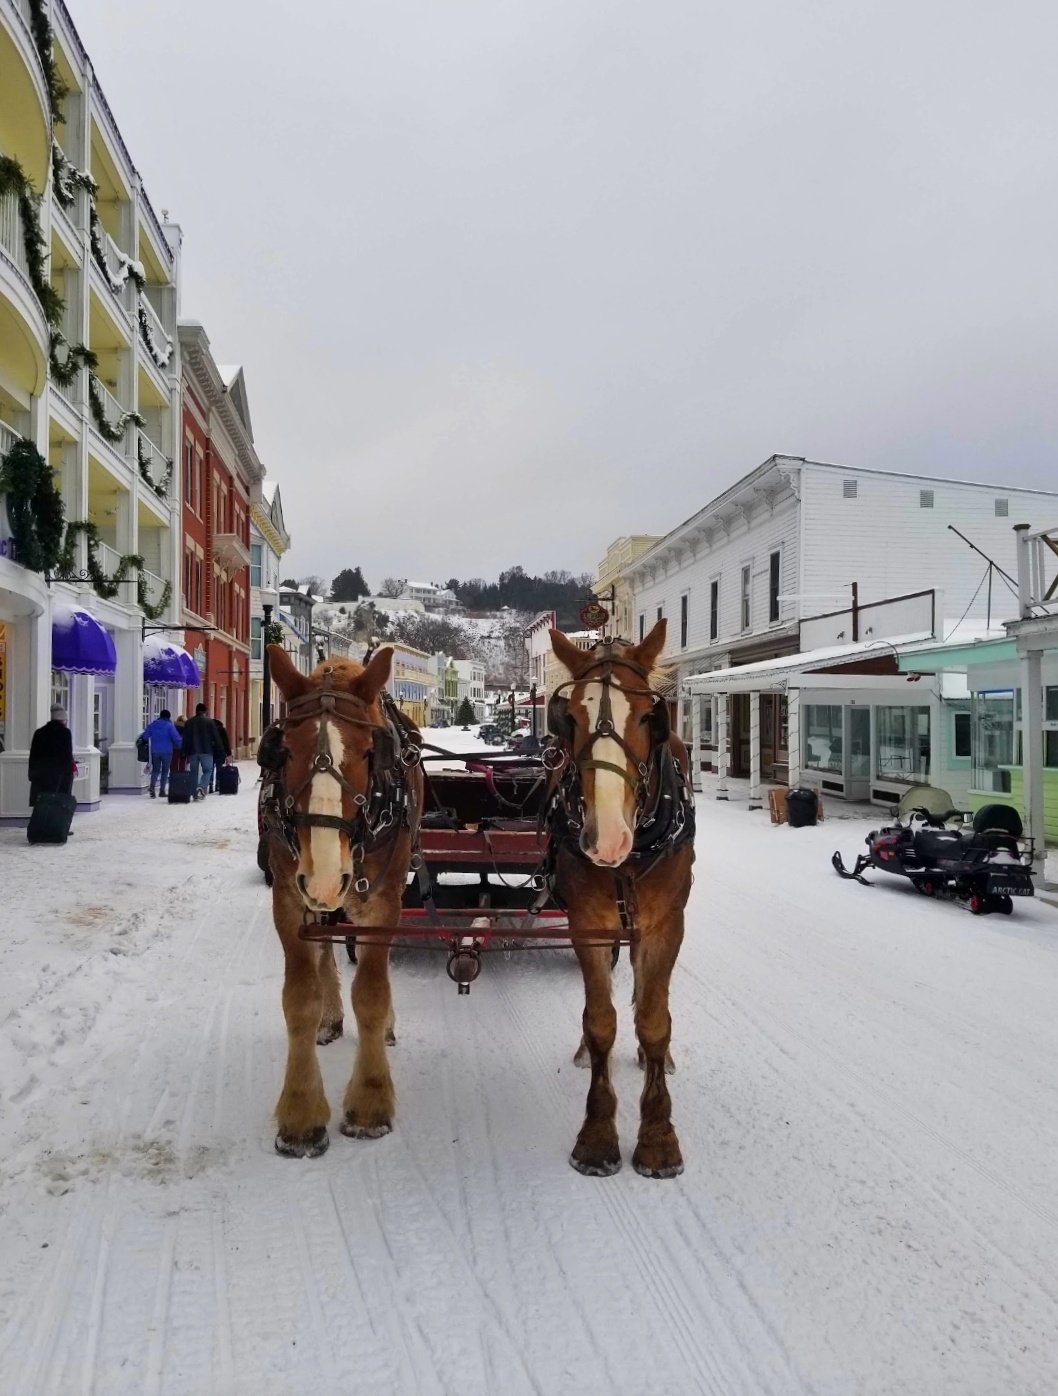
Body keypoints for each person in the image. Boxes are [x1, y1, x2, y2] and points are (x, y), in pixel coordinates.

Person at [29, 705, 76, 815]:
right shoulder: (65, 733)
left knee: (42, 804)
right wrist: (69, 775)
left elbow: (33, 755)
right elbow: (67, 755)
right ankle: (57, 828)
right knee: (58, 805)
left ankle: (40, 828)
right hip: (59, 776)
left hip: (40, 776)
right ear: (63, 720)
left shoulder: (39, 732)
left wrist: (32, 775)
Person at [182, 702, 226, 800]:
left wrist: (184, 751)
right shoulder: (209, 722)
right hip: (206, 750)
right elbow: (216, 737)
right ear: (205, 711)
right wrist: (222, 751)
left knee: (194, 772)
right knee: (208, 770)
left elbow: (185, 738)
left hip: (192, 751)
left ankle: (194, 794)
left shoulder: (189, 722)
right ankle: (201, 786)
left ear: (196, 711)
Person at [140, 708, 182, 798]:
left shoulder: (153, 725)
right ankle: (162, 791)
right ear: (168, 717)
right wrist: (181, 747)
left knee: (155, 770)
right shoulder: (170, 726)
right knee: (165, 771)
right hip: (167, 751)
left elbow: (145, 736)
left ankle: (152, 787)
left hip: (155, 751)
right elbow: (176, 738)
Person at [208, 717, 233, 793]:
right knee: (219, 769)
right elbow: (226, 742)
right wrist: (228, 753)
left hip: (210, 752)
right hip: (220, 752)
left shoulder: (208, 730)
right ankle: (218, 784)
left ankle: (210, 785)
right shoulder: (222, 730)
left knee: (210, 769)